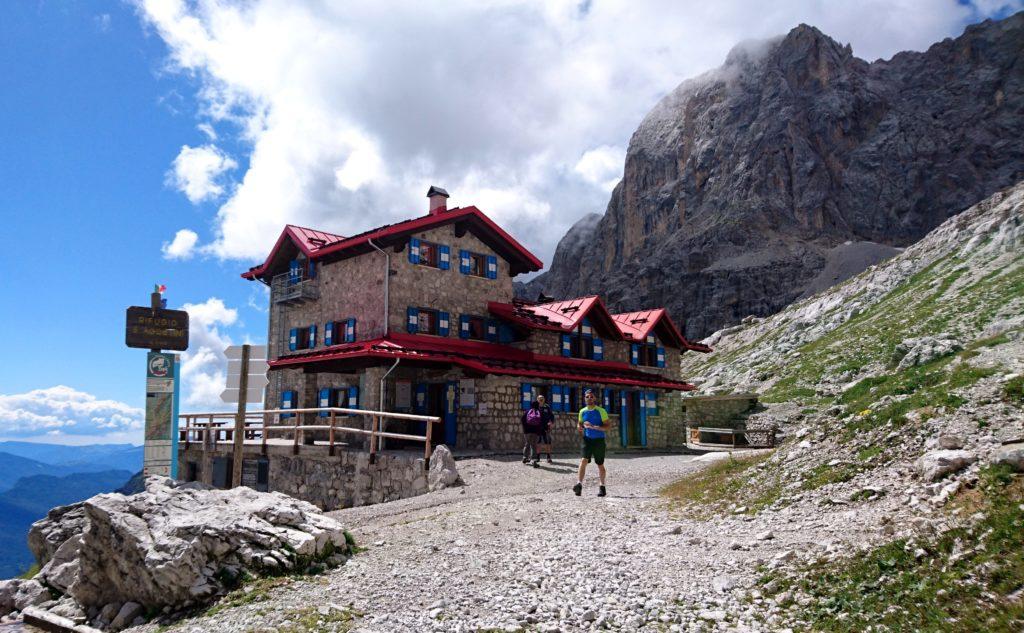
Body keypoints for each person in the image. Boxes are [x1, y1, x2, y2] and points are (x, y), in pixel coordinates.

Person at [574, 389, 610, 497]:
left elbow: (608, 426)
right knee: (583, 460)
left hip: (599, 440)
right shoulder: (582, 411)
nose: (589, 398)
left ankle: (602, 486)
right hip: (587, 439)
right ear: (584, 398)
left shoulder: (601, 411)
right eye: (587, 397)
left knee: (600, 464)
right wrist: (579, 428)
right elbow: (579, 424)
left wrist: (594, 427)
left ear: (595, 398)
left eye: (591, 396)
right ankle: (579, 485)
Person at [521, 400, 544, 467]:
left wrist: (525, 429)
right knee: (534, 445)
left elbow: (522, 420)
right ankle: (534, 461)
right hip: (535, 432)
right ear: (537, 405)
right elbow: (542, 422)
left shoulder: (527, 412)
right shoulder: (539, 412)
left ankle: (525, 457)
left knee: (527, 444)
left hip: (527, 432)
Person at [536, 394, 555, 464]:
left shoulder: (547, 407)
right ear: (537, 399)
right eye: (540, 398)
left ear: (544, 399)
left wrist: (551, 422)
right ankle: (537, 458)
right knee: (538, 443)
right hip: (537, 428)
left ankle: (548, 457)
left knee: (548, 443)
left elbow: (551, 416)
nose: (541, 399)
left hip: (546, 428)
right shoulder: (535, 407)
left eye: (542, 398)